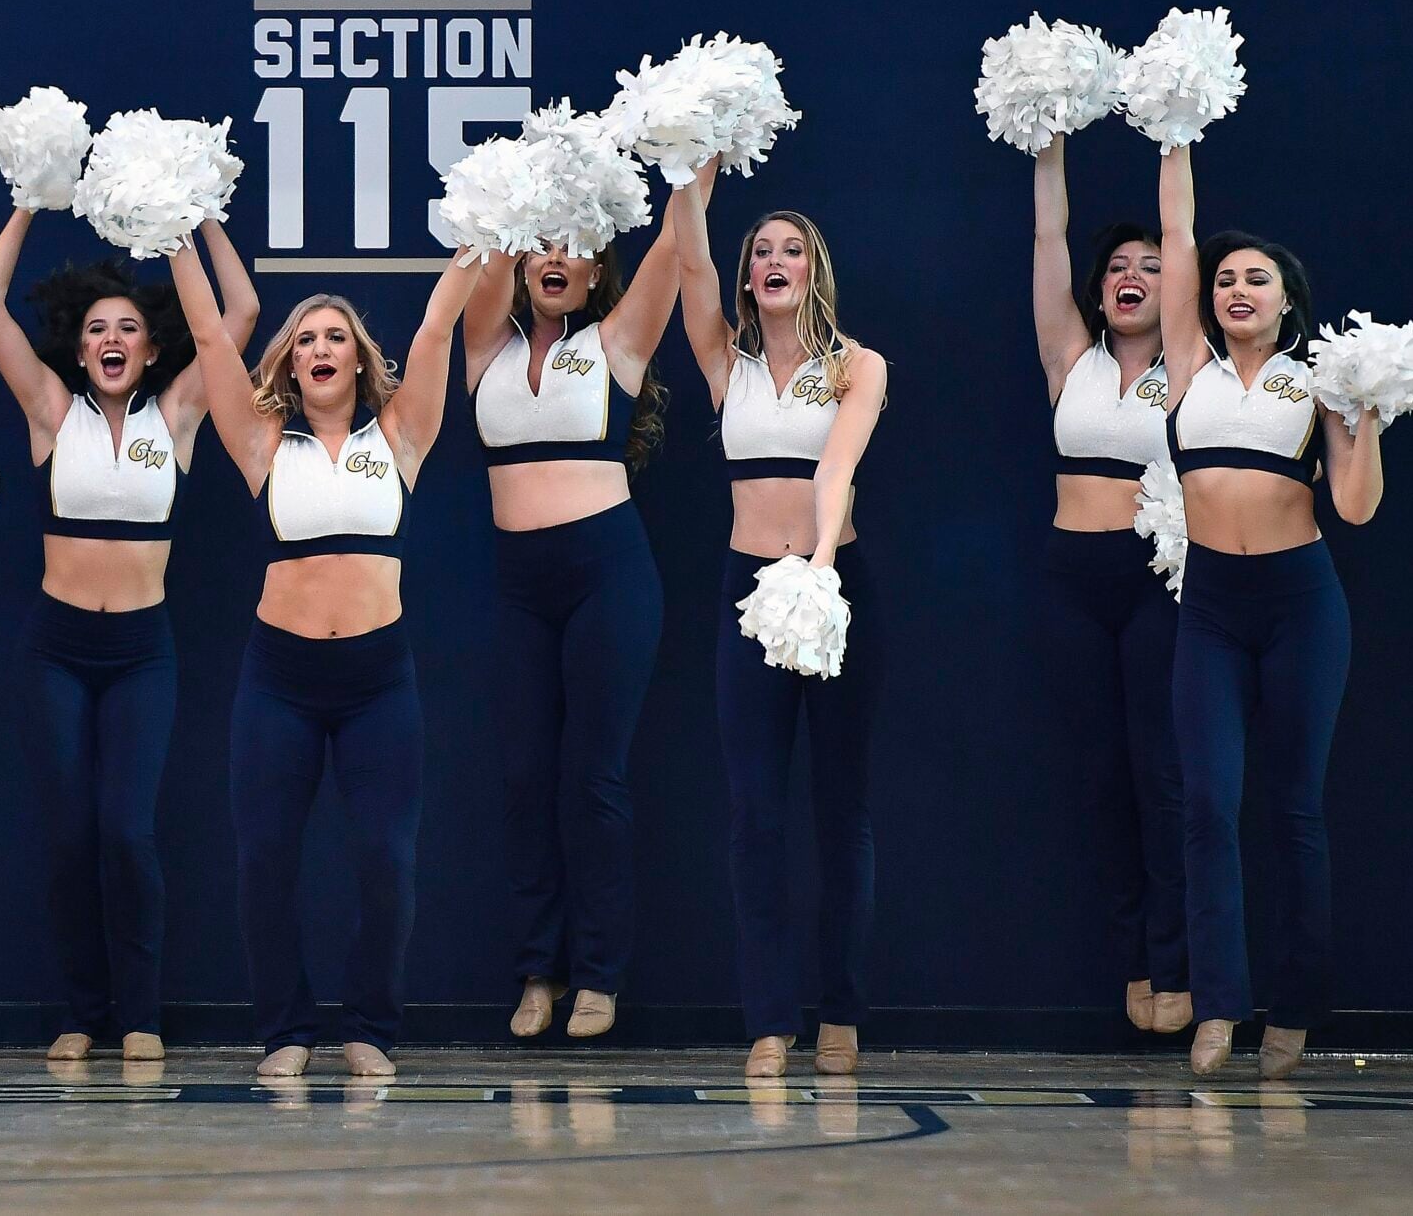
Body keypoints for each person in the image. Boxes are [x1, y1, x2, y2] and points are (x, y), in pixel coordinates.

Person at [174, 233, 486, 1078]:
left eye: (334, 336)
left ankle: (370, 1027)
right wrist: (173, 232)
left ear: (357, 359)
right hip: (278, 679)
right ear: (289, 359)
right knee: (265, 857)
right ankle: (283, 1030)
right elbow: (209, 339)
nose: (318, 347)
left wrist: (485, 233)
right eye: (305, 337)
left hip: (378, 681)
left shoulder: (401, 434)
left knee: (386, 857)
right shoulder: (262, 444)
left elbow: (434, 330)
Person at [0, 209, 259, 1062]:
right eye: (97, 327)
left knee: (127, 831)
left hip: (142, 652)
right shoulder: (53, 414)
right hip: (56, 650)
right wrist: (23, 203)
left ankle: (140, 1012)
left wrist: (190, 218)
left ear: (154, 348)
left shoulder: (178, 417)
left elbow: (238, 313)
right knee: (69, 836)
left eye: (129, 326)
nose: (112, 336)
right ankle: (78, 1010)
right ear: (78, 345)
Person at [1156, 145, 1384, 1078]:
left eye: (1258, 278)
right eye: (1224, 279)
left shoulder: (1319, 377)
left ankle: (1293, 1009)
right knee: (1208, 802)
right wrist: (1177, 131)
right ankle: (1218, 1005)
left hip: (1300, 604)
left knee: (1294, 808)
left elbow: (1358, 507)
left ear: (1288, 299)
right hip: (1209, 606)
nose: (1237, 288)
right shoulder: (1186, 366)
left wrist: (1366, 414)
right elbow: (1175, 235)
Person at [675, 162, 889, 1078]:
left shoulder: (858, 365)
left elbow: (835, 470)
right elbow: (686, 263)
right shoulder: (728, 361)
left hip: (833, 590)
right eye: (760, 249)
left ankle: (840, 1007)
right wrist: (690, 165)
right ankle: (769, 1018)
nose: (774, 259)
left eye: (791, 249)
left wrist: (821, 574)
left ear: (815, 270)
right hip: (744, 593)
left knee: (840, 810)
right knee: (755, 811)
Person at [463, 202, 679, 1043]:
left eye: (576, 248)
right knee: (524, 779)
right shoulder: (488, 348)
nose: (557, 258)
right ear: (521, 264)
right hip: (519, 586)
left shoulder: (616, 343)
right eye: (542, 246)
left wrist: (697, 159)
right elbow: (484, 265)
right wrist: (522, 201)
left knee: (594, 780)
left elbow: (670, 248)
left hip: (608, 576)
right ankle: (536, 969)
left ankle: (598, 974)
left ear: (596, 272)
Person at [1027, 138, 1191, 1034]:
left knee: (1161, 773)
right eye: (1118, 268)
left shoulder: (1195, 367)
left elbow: (1184, 224)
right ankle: (1133, 959)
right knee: (1100, 779)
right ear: (1098, 291)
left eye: (1152, 266)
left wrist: (1176, 137)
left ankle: (1179, 962)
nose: (1132, 275)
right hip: (1072, 581)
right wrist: (1049, 148)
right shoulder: (1072, 359)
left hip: (1156, 579)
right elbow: (1049, 234)